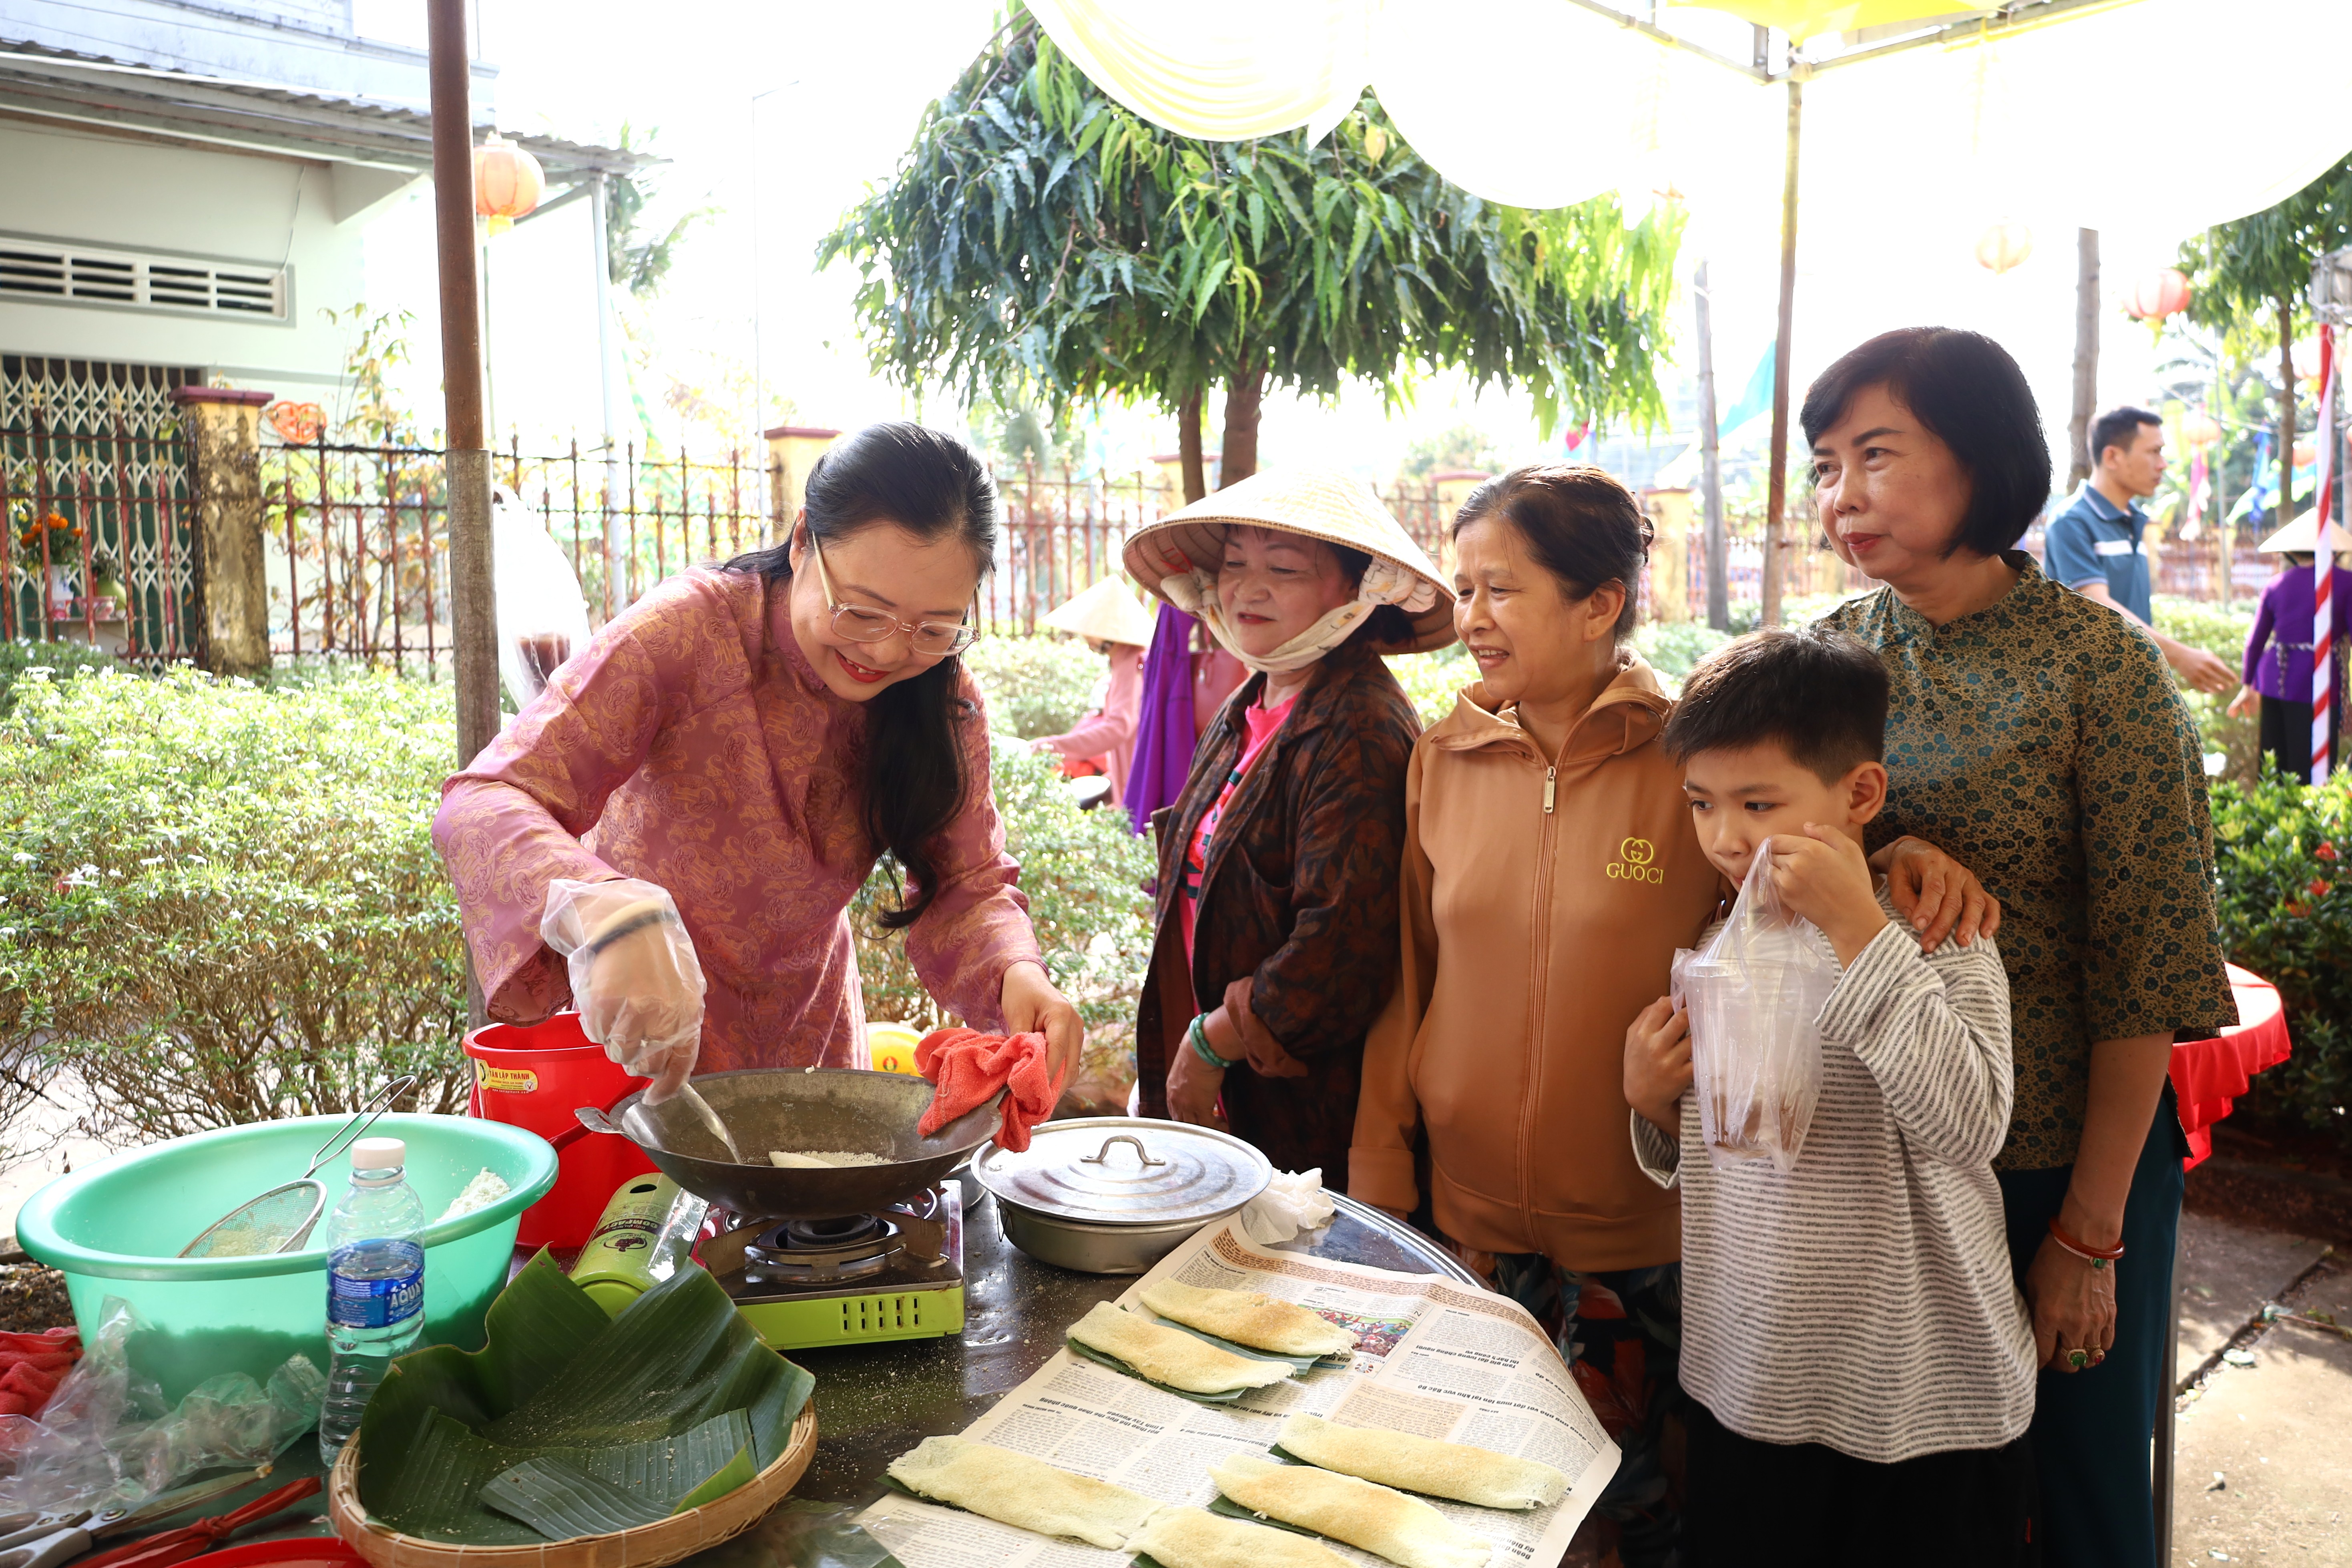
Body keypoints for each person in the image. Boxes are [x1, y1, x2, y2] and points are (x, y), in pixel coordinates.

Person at [1349, 467, 1993, 1568]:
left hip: (1637, 1235)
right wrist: (1380, 1162)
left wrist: (1892, 859)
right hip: (1466, 1216)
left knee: (1626, 1521)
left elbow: (1782, 871)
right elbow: (1408, 966)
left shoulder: (1684, 752)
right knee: (1467, 1502)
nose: (1472, 617)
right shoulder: (1440, 753)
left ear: (1598, 603)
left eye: (1499, 587)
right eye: (1463, 588)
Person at [1806, 329, 2236, 1568]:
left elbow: (2146, 965)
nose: (1841, 496)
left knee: (2078, 1486)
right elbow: (1762, 855)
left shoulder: (2098, 670)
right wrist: (1872, 858)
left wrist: (2085, 1234)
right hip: (1884, 1150)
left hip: (2054, 1164)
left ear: (1981, 460)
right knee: (1911, 1496)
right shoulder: (1832, 657)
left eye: (1875, 456)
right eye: (1828, 466)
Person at [433, 422, 1083, 1100]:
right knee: (645, 1207)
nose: (891, 653)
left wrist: (1019, 974)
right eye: (863, 610)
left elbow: (968, 880)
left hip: (813, 1044)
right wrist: (595, 906)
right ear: (804, 540)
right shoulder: (686, 632)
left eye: (934, 628)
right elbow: (483, 799)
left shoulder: (942, 695)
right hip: (640, 1033)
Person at [1627, 627, 2035, 1567]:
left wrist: (1860, 931)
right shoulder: (1722, 935)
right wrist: (1651, 1104)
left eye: (1757, 802)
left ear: (1859, 794)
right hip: (1751, 1383)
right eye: (1701, 803)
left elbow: (1968, 1125)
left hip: (1928, 1399)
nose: (1724, 836)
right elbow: (1737, 1152)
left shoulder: (1934, 931)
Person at [1125, 469, 1446, 1185]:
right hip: (1223, 1092)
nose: (1248, 588)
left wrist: (1211, 1044)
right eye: (1235, 563)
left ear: (1355, 593)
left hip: (1302, 1113)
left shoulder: (1362, 728)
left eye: (1285, 569)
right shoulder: (1252, 700)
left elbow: (1340, 948)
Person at [2043, 406, 2237, 694]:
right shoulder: (2071, 521)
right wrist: (2179, 655)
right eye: (2154, 452)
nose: (2163, 464)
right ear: (2112, 456)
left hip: (2130, 688)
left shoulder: (2134, 520)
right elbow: (2096, 604)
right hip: (2086, 696)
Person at [2225, 510, 2350, 781]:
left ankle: (2271, 821)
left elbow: (2255, 642)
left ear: (2292, 553)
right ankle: (2309, 822)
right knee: (2312, 769)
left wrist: (2247, 687)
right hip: (2316, 682)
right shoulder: (2346, 582)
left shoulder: (2276, 584)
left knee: (2274, 763)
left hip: (2273, 681)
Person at [1029, 576, 1157, 807]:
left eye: (1090, 628)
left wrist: (1049, 747)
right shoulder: (1124, 660)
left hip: (1140, 786)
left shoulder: (1132, 660)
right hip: (1132, 781)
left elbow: (1119, 728)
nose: (1085, 636)